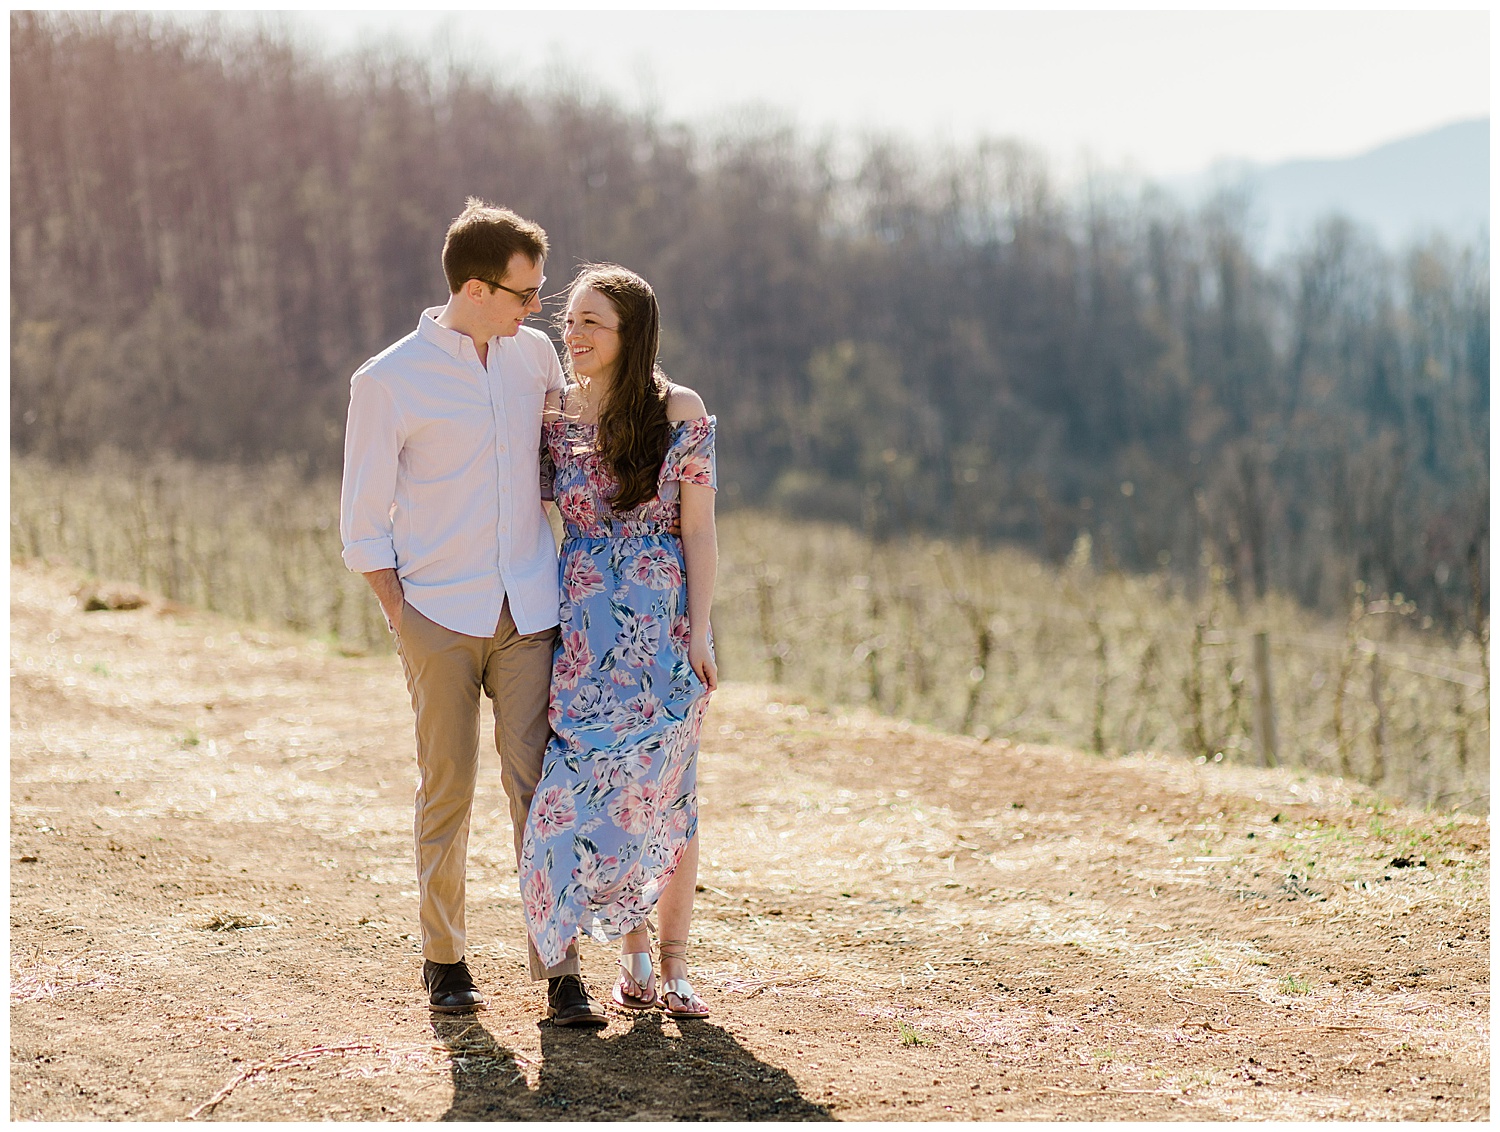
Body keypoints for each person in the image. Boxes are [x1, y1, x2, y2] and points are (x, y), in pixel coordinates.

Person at [340, 199, 608, 1026]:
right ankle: (444, 960)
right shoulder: (388, 380)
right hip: (439, 615)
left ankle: (560, 971)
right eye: (526, 294)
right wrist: (402, 614)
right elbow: (362, 519)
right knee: (447, 788)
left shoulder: (533, 361)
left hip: (530, 608)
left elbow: (575, 445)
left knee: (538, 788)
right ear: (475, 287)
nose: (539, 312)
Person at [519, 264, 718, 1020]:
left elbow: (698, 530)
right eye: (568, 320)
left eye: (590, 322)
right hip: (582, 639)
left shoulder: (679, 409)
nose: (572, 334)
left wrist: (700, 632)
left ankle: (674, 969)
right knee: (599, 796)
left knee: (668, 799)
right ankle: (630, 961)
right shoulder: (554, 413)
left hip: (663, 637)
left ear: (631, 333)